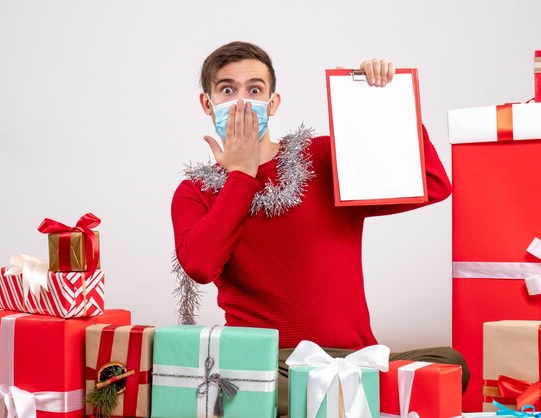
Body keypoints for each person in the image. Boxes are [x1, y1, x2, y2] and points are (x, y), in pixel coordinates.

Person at [171, 41, 467, 417]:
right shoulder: (196, 190)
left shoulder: (323, 158)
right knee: (244, 388)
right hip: (272, 366)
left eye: (255, 90)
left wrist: (384, 102)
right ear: (207, 104)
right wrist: (241, 175)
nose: (243, 102)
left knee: (450, 364)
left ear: (274, 103)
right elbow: (199, 265)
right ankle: (343, 398)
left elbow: (433, 183)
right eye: (228, 90)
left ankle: (331, 395)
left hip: (355, 358)